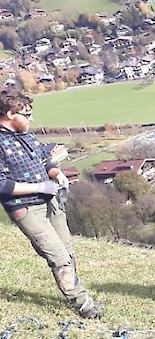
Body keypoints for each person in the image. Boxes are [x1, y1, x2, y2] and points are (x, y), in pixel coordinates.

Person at [0, 89, 102, 319]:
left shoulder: (25, 134)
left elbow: (43, 160)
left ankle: (76, 293)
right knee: (58, 256)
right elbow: (2, 185)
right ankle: (84, 304)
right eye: (26, 114)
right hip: (26, 208)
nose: (31, 119)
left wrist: (56, 173)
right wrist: (39, 187)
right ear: (9, 114)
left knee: (68, 251)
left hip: (51, 201)